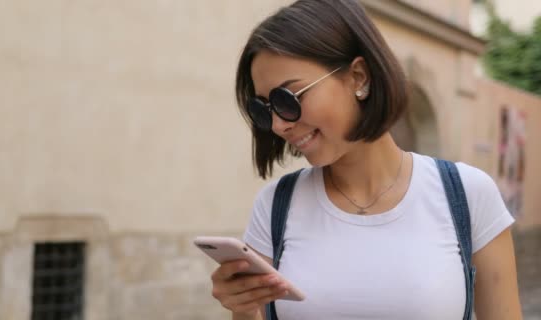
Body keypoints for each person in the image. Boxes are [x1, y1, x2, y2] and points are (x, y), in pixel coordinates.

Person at [209, 1, 523, 319]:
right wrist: (244, 308)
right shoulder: (275, 206)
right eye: (265, 108)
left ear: (358, 77)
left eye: (288, 99)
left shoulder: (468, 195)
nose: (278, 124)